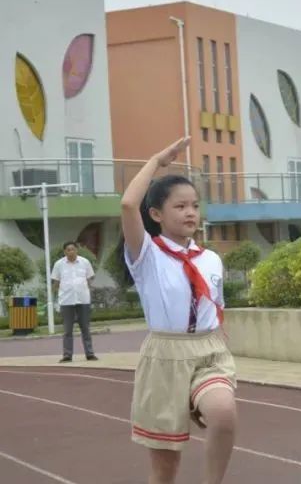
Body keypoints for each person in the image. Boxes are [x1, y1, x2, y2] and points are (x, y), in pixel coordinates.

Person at [118, 137, 237, 484]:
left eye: (194, 206)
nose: (190, 213)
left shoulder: (211, 258)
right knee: (165, 469)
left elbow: (214, 303)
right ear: (156, 214)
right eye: (180, 206)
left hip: (207, 351)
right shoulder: (147, 255)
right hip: (165, 357)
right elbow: (128, 204)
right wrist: (157, 160)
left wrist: (219, 331)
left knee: (224, 413)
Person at [51, 241, 97, 363]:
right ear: (64, 252)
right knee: (67, 330)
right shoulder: (59, 264)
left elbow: (89, 279)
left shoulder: (85, 262)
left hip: (83, 300)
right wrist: (56, 299)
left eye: (73, 249)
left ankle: (90, 353)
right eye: (68, 250)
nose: (71, 252)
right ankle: (67, 355)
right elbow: (56, 283)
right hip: (66, 301)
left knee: (85, 328)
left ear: (77, 250)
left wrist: (88, 293)